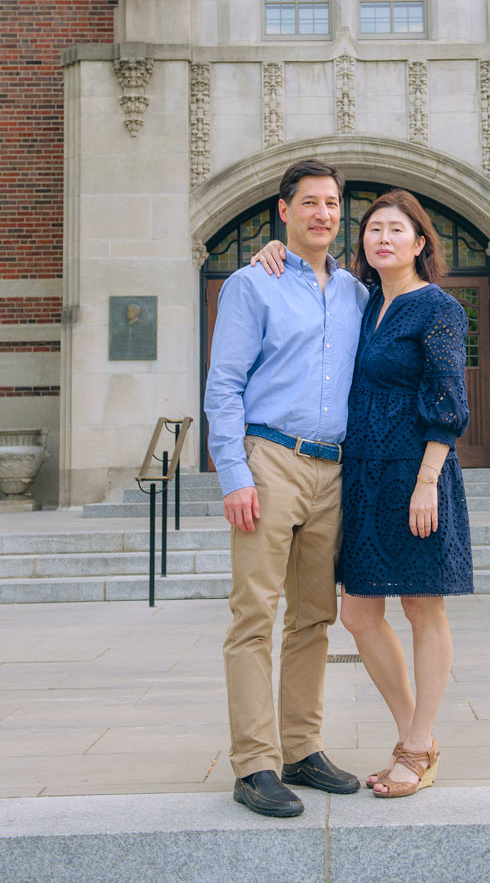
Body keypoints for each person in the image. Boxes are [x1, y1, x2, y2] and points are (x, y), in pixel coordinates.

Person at [254, 189, 473, 798]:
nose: (383, 238)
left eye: (396, 229)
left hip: (417, 475)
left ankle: (415, 744)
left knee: (423, 607)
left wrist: (428, 481)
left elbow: (450, 403)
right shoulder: (364, 300)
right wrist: (272, 248)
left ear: (420, 243)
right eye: (374, 229)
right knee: (356, 613)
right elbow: (308, 279)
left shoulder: (440, 310)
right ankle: (417, 737)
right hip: (363, 477)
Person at [204, 159, 368, 818]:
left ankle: (301, 746)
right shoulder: (253, 282)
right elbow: (224, 383)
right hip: (270, 458)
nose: (323, 214)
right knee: (253, 617)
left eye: (331, 204)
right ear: (284, 209)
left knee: (314, 618)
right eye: (309, 203)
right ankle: (254, 763)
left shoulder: (357, 294)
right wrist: (233, 470)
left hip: (335, 468)